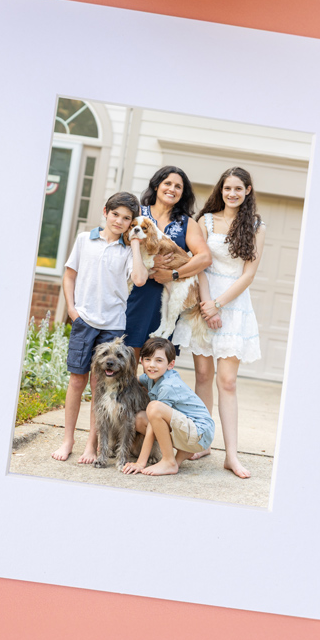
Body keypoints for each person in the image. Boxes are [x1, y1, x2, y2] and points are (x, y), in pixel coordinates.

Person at [172, 167, 265, 479]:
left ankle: (233, 456)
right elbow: (200, 262)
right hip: (204, 300)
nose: (232, 194)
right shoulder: (205, 220)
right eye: (227, 188)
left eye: (239, 189)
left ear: (248, 191)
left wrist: (220, 305)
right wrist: (207, 304)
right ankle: (202, 442)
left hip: (233, 305)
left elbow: (248, 275)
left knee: (227, 381)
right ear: (221, 190)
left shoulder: (255, 226)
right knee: (202, 375)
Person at [50, 192, 148, 465]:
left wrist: (137, 244)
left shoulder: (128, 251)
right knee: (77, 381)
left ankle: (91, 446)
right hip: (84, 321)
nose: (119, 221)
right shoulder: (85, 240)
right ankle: (68, 439)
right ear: (105, 212)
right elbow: (69, 276)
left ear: (131, 223)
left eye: (127, 218)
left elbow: (139, 280)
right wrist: (72, 309)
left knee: (100, 387)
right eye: (115, 214)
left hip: (113, 327)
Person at [123, 165, 212, 352]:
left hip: (163, 301)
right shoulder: (137, 214)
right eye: (167, 183)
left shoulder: (187, 224)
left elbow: (204, 258)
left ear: (182, 193)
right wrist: (149, 264)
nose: (172, 189)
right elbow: (118, 246)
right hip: (133, 296)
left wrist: (173, 274)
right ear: (156, 186)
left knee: (155, 367)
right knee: (126, 360)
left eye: (178, 187)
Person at [122, 337, 215, 476]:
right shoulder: (151, 377)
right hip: (192, 432)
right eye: (147, 359)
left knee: (153, 408)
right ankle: (182, 454)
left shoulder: (168, 385)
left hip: (199, 431)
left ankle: (168, 462)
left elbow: (155, 423)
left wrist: (141, 462)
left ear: (170, 364)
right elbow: (134, 381)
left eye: (159, 360)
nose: (152, 365)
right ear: (141, 361)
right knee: (139, 419)